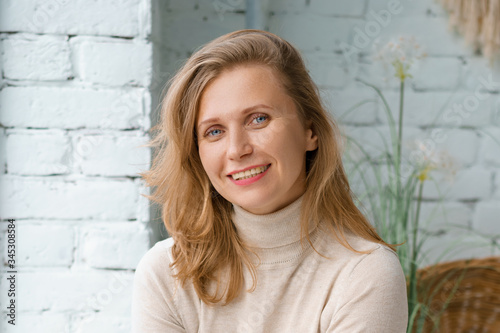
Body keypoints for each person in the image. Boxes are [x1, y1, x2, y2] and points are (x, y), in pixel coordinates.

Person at [132, 29, 408, 332]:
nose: (237, 149)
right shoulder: (166, 272)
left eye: (258, 119)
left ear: (309, 131)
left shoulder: (365, 273)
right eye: (214, 131)